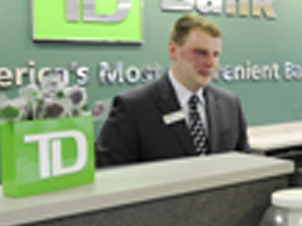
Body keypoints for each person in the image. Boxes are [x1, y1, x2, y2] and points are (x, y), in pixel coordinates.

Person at [95, 14, 250, 167]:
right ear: (173, 50)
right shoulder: (133, 107)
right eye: (201, 52)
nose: (210, 63)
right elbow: (109, 173)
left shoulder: (230, 104)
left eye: (215, 54)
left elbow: (245, 165)